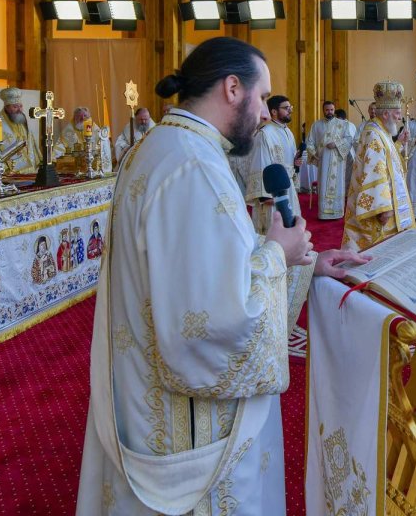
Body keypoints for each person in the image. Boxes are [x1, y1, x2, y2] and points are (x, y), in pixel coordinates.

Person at [76, 37, 365, 515]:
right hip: (192, 432)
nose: (266, 113)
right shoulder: (192, 166)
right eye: (262, 95)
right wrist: (277, 253)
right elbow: (213, 316)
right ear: (233, 88)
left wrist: (306, 265)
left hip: (149, 396)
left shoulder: (169, 147)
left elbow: (209, 266)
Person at [343, 81, 416, 250]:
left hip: (388, 203)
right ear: (386, 114)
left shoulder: (381, 131)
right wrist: (383, 208)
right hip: (381, 209)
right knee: (378, 250)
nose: (400, 117)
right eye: (397, 113)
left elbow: (387, 162)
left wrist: (398, 144)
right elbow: (376, 171)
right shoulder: (374, 134)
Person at [246, 95, 303, 234]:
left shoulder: (288, 131)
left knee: (290, 226)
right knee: (274, 231)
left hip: (287, 188)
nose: (290, 110)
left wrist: (295, 162)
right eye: (286, 108)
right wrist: (265, 196)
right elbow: (260, 163)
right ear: (274, 112)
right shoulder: (265, 134)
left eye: (291, 108)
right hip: (273, 193)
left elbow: (288, 160)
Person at [306, 101, 350, 220]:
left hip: (338, 161)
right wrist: (315, 155)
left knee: (337, 186)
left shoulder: (343, 124)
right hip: (324, 162)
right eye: (327, 110)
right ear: (323, 110)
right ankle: (323, 214)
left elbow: (348, 140)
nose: (329, 112)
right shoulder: (316, 125)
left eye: (331, 110)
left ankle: (337, 212)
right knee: (324, 185)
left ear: (334, 110)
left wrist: (336, 143)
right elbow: (309, 142)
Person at [0, 86, 41, 173]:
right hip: (9, 174)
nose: (19, 109)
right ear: (6, 108)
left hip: (30, 173)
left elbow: (32, 147)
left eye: (21, 106)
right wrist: (4, 170)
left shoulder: (23, 124)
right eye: (15, 107)